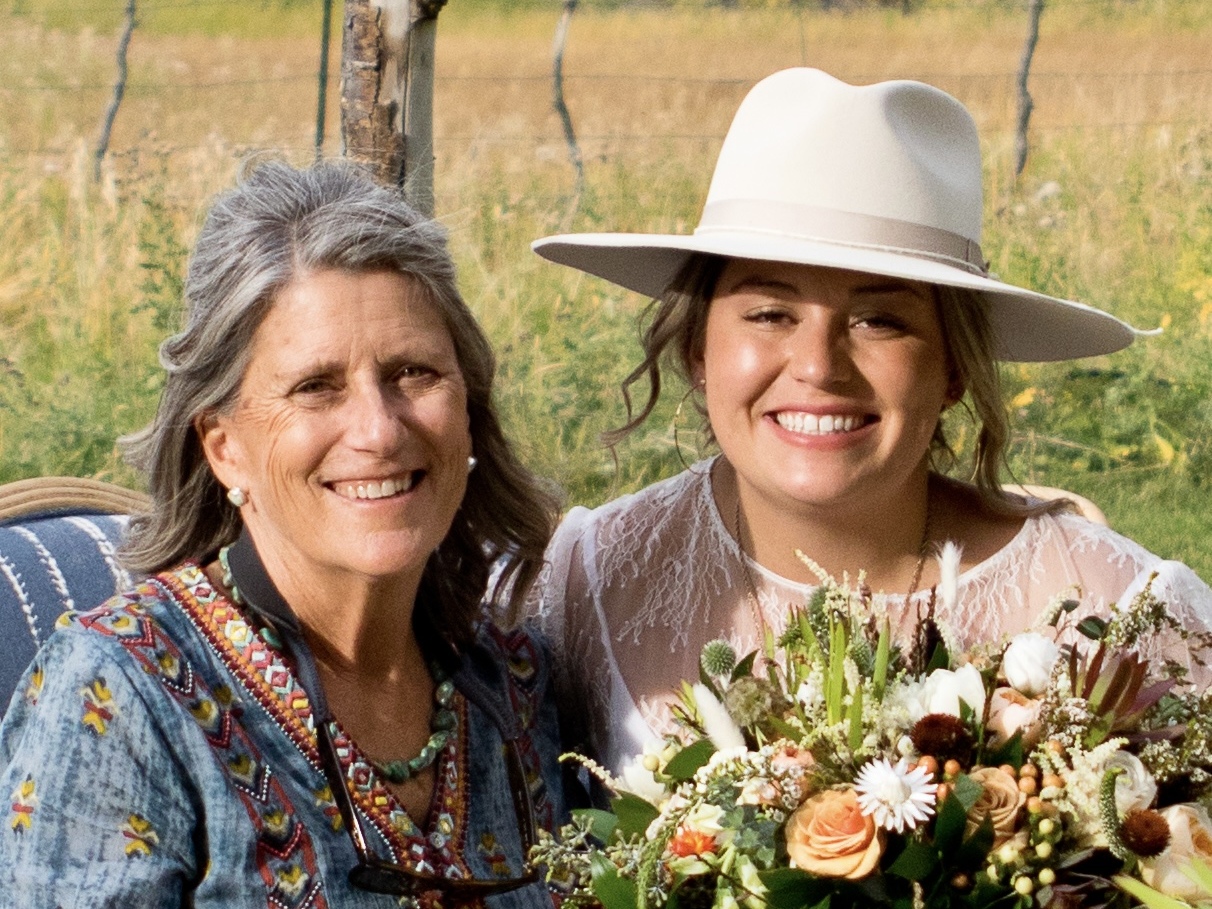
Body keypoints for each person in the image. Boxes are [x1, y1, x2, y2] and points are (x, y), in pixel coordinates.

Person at [527, 68, 1212, 774]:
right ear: (700, 348)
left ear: (953, 369)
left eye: (879, 319)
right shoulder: (590, 583)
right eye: (769, 313)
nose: (820, 366)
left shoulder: (1111, 606)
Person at [0, 160, 565, 907]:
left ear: (469, 412)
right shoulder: (121, 695)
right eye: (315, 386)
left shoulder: (513, 684)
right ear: (223, 445)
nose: (377, 428)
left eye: (414, 372)